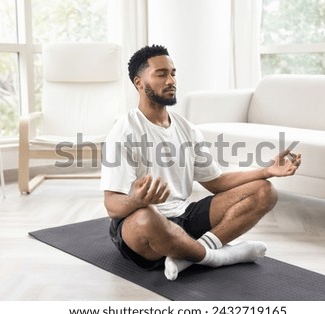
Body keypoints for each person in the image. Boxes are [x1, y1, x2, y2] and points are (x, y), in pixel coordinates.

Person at [101, 44, 301, 281]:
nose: (171, 80)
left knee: (264, 191)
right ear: (138, 82)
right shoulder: (124, 133)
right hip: (141, 228)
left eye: (173, 73)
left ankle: (190, 253)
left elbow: (216, 182)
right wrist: (137, 200)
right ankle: (219, 256)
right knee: (147, 216)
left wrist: (266, 170)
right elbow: (112, 206)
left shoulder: (187, 129)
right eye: (161, 74)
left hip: (184, 215)